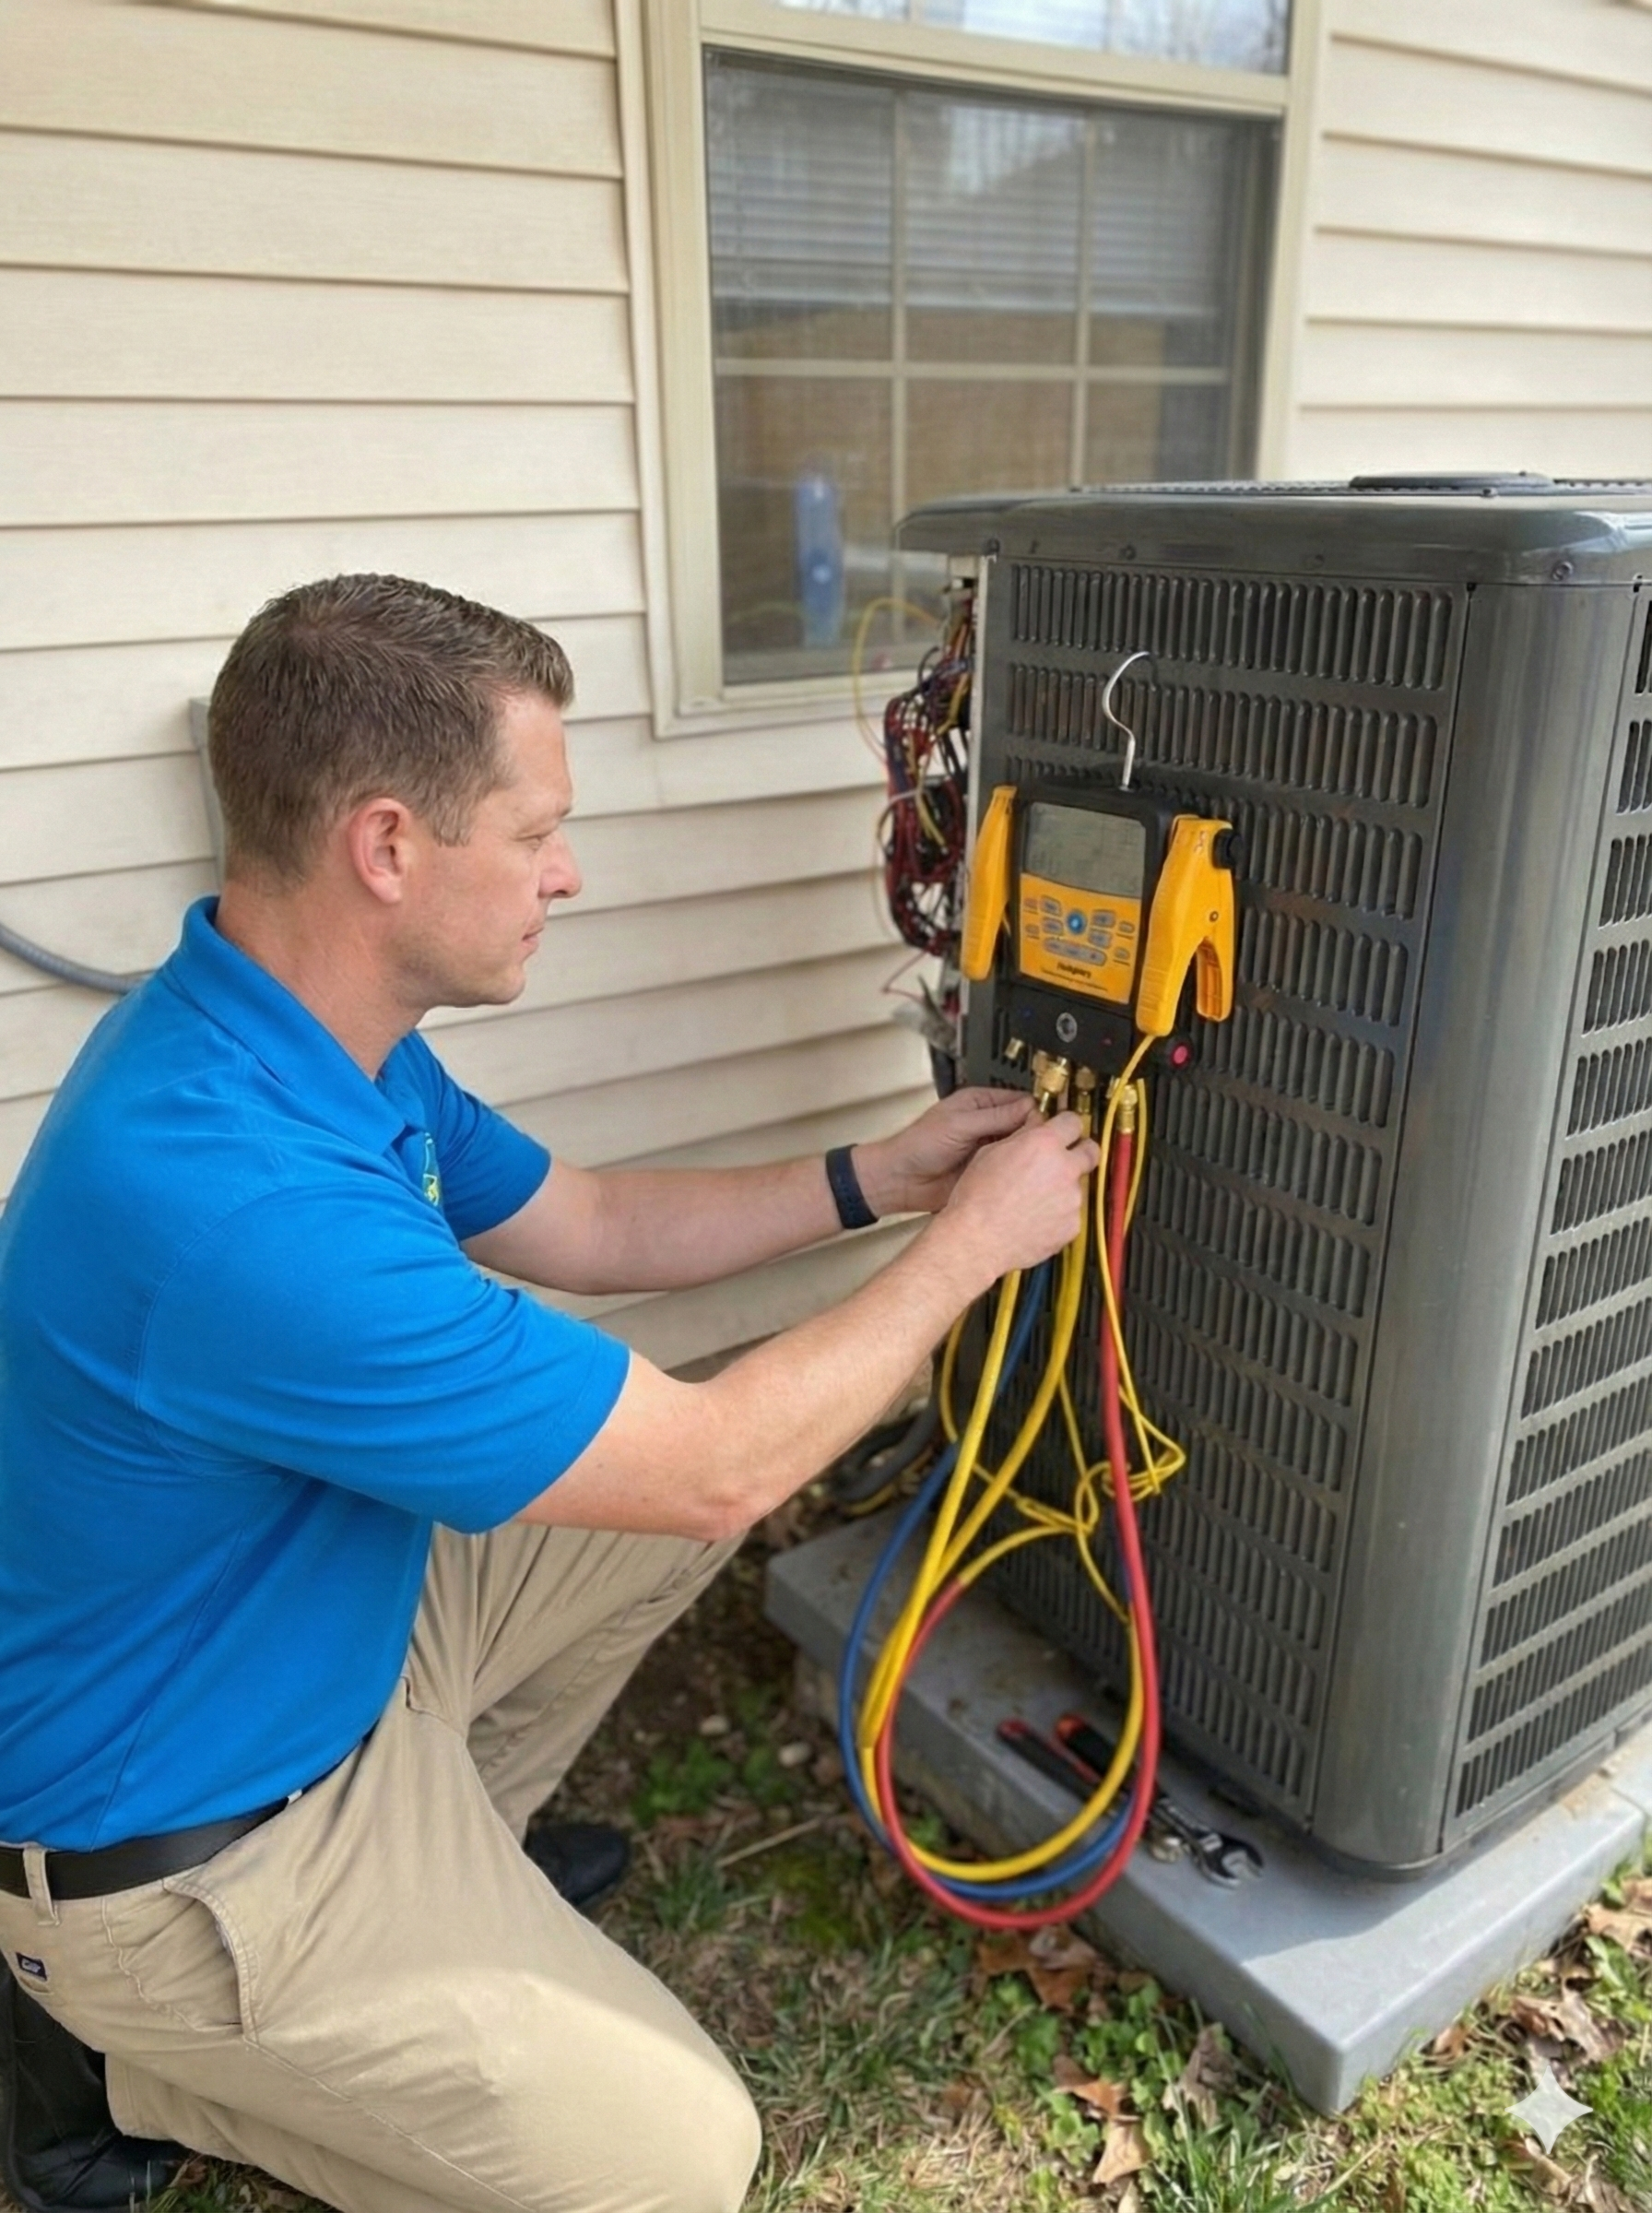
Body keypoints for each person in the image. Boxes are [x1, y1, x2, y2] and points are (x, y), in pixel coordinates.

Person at [0, 574, 1097, 2213]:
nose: (566, 873)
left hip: (309, 1658)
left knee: (657, 1487)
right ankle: (140, 2063)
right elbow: (725, 1468)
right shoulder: (242, 1204)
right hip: (199, 1856)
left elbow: (587, 1223)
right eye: (536, 833)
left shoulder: (301, 1032)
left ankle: (455, 1870)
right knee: (682, 2164)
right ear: (388, 847)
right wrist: (972, 1260)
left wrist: (889, 1178)